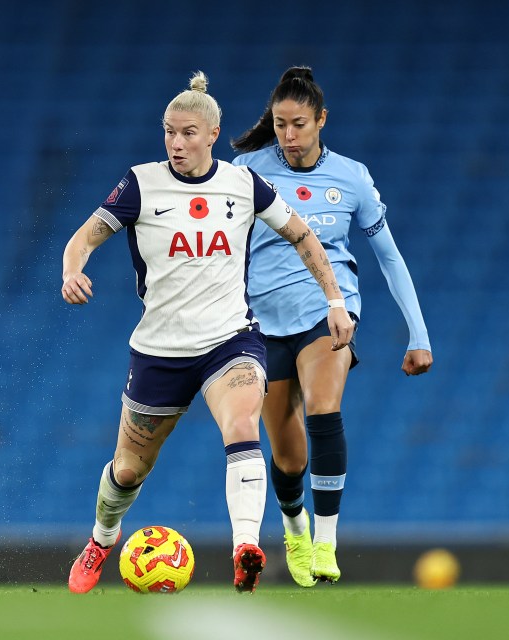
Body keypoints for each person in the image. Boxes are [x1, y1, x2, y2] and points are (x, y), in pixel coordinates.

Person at [62, 71, 355, 594]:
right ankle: (102, 539)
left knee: (243, 424)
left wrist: (334, 299)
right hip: (160, 350)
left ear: (213, 134)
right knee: (129, 469)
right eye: (169, 132)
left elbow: (302, 234)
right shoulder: (140, 183)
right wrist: (72, 270)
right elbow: (82, 239)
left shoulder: (242, 185)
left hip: (230, 340)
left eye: (188, 133)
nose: (176, 143)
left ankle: (246, 546)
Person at [231, 66, 433, 587]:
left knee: (325, 405)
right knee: (287, 451)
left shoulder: (352, 177)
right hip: (261, 320)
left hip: (329, 311)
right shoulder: (247, 171)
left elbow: (388, 257)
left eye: (299, 124)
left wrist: (419, 335)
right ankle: (294, 526)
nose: (289, 136)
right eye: (279, 125)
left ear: (321, 119)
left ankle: (326, 540)